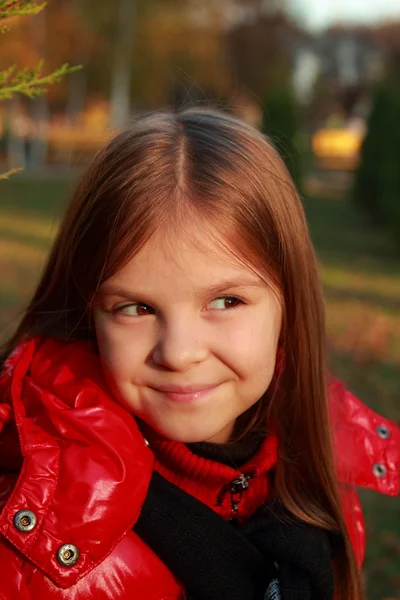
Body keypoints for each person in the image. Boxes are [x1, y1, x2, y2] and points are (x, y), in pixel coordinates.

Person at [0, 108, 398, 600]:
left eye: (226, 301)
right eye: (135, 307)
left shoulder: (322, 474)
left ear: (288, 304)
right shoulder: (39, 546)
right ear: (89, 314)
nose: (179, 353)